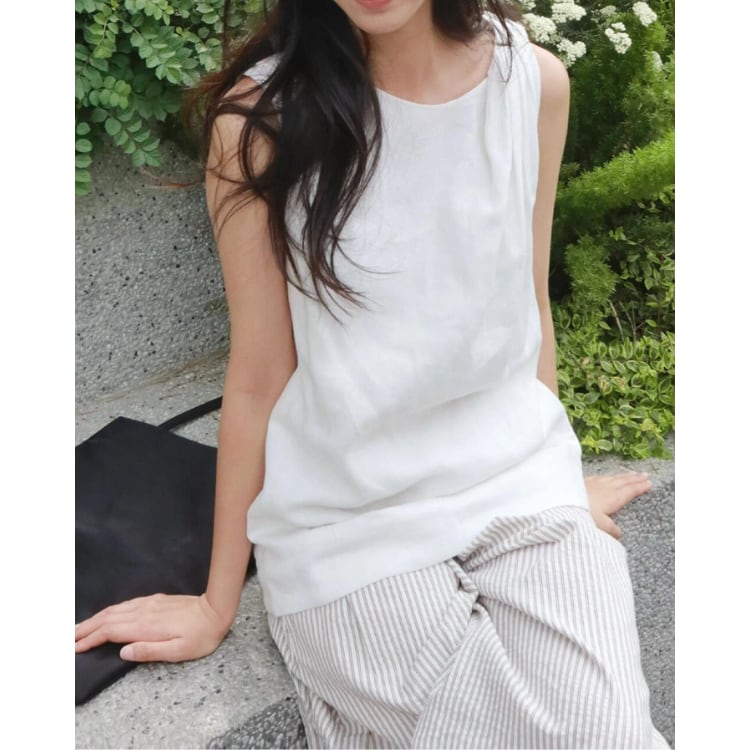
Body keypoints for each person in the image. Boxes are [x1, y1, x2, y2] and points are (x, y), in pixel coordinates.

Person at [75, 1, 669, 747]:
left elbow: (528, 299)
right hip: (347, 522)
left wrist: (557, 477)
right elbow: (258, 374)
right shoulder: (261, 124)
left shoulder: (533, 84)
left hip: (518, 486)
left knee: (610, 731)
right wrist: (216, 600)